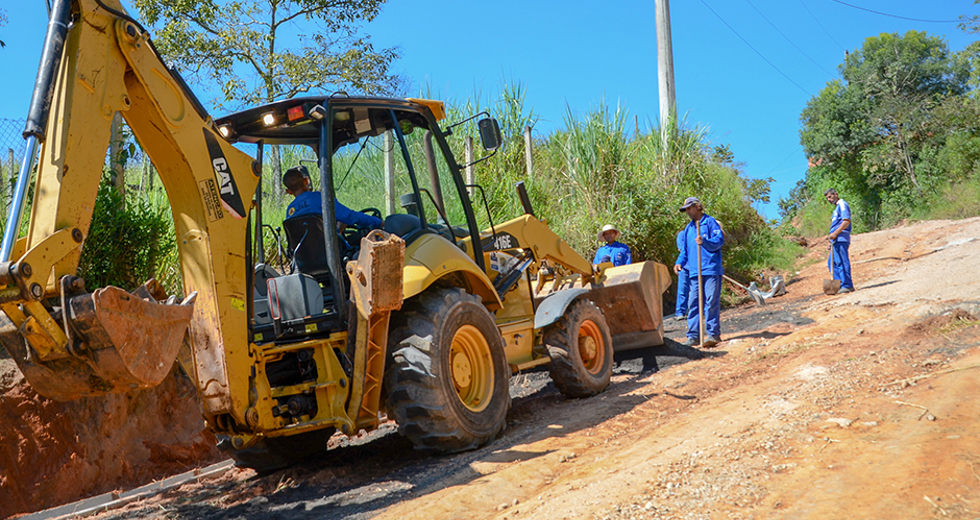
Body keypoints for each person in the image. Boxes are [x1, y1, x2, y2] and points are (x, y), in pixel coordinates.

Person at [673, 197, 724, 348]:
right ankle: (693, 336)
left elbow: (719, 241)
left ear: (697, 207)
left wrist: (705, 242)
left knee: (711, 301)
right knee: (693, 303)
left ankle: (713, 334)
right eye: (686, 209)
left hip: (710, 269)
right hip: (695, 272)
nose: (688, 211)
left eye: (690, 208)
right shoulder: (688, 229)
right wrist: (679, 262)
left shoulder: (710, 222)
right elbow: (685, 251)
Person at [283, 165, 383, 229]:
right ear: (306, 181)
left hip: (304, 255)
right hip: (328, 250)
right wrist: (379, 222)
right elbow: (349, 216)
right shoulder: (320, 198)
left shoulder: (290, 211)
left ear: (289, 191)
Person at [825, 188, 854, 293]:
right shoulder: (836, 208)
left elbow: (846, 221)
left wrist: (836, 233)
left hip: (841, 238)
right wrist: (831, 241)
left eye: (830, 196)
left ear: (836, 194)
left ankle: (847, 285)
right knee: (832, 263)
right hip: (835, 240)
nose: (829, 199)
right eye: (827, 198)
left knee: (841, 261)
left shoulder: (842, 204)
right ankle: (838, 286)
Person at [673, 229, 691, 320]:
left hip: (698, 267)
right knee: (682, 290)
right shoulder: (682, 234)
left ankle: (699, 311)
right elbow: (681, 249)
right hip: (684, 267)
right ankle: (680, 312)